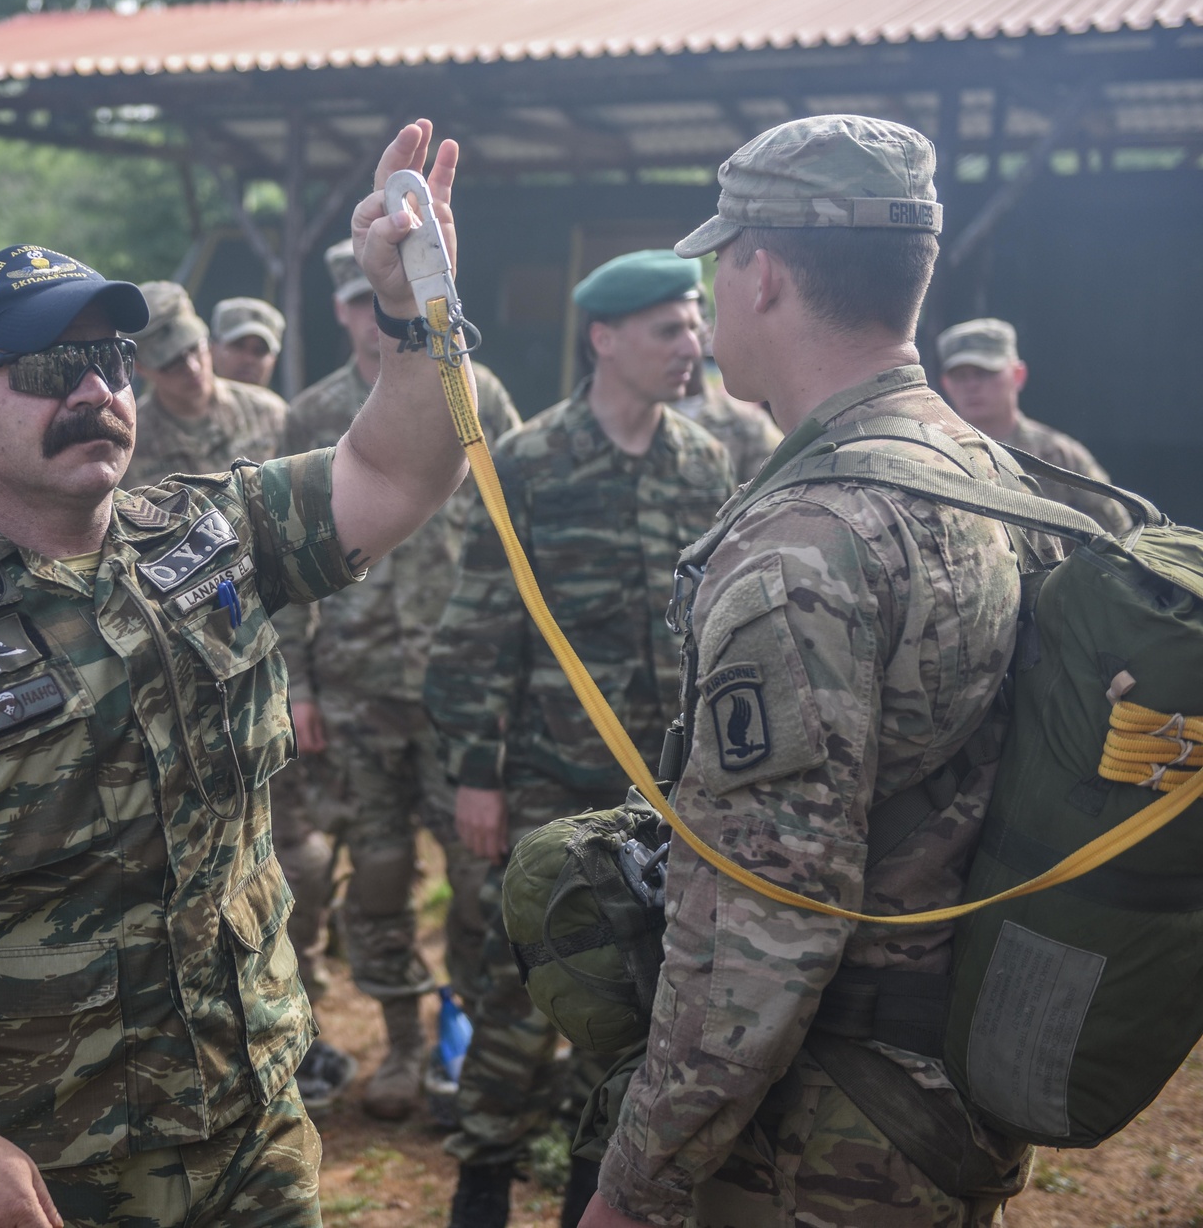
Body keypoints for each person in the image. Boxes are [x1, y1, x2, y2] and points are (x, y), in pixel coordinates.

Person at [0, 121, 479, 1228]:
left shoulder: (208, 531)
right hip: (48, 1161)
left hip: (252, 1116)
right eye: (48, 369)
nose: (93, 388)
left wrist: (411, 303)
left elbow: (399, 464)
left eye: (108, 361)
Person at [581, 116, 1039, 1228]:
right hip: (947, 1106)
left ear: (761, 272)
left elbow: (763, 922)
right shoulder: (997, 478)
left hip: (816, 1141)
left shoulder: (802, 547)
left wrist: (634, 1187)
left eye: (716, 263)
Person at [424, 249, 735, 1226]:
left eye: (693, 326)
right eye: (668, 330)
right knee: (517, 986)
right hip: (547, 780)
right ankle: (481, 1174)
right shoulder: (527, 460)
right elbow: (477, 628)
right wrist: (476, 777)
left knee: (639, 996)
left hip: (658, 797)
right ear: (603, 338)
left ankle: (588, 1183)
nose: (691, 346)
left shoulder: (706, 463)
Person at [272, 237, 521, 1123]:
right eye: (350, 298)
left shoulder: (476, 390)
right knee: (377, 875)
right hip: (358, 685)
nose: (362, 309)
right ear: (343, 309)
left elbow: (510, 532)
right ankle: (403, 1045)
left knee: (478, 875)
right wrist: (298, 685)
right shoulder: (309, 414)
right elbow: (282, 563)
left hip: (459, 689)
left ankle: (465, 1035)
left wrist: (509, 673)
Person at [935, 317, 1133, 537]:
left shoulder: (1059, 458)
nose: (971, 385)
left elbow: (1120, 539)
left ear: (1017, 375)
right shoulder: (934, 455)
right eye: (960, 376)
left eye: (985, 372)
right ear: (946, 384)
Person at [117, 281, 286, 489]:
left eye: (194, 348)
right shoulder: (129, 442)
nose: (193, 367)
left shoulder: (268, 413)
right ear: (141, 367)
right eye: (172, 363)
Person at [673, 320, 781, 481]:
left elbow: (773, 488)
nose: (685, 346)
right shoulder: (638, 420)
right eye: (670, 332)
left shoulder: (749, 424)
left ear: (706, 333)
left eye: (693, 328)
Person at [211, 296, 285, 388]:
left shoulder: (278, 403)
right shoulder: (189, 401)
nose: (248, 359)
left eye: (259, 351)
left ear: (273, 361)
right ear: (212, 350)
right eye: (238, 346)